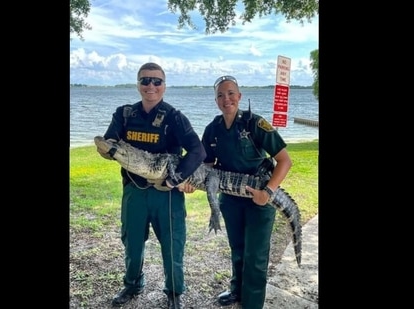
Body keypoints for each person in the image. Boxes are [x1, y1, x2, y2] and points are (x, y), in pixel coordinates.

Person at [96, 62, 206, 309]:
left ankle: (175, 292)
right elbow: (109, 142)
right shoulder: (124, 114)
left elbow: (198, 151)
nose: (150, 86)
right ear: (138, 84)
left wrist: (177, 179)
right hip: (134, 191)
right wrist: (105, 150)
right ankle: (133, 284)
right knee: (132, 242)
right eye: (145, 80)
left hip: (166, 194)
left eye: (156, 81)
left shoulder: (175, 117)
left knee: (172, 244)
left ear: (164, 86)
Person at [201, 75, 292, 308]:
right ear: (215, 100)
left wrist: (268, 193)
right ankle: (237, 291)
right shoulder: (212, 129)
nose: (226, 99)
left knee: (256, 256)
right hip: (230, 199)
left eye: (231, 93)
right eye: (220, 95)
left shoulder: (255, 124)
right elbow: (207, 167)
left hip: (260, 199)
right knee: (238, 249)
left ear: (239, 96)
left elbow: (284, 161)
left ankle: (251, 303)